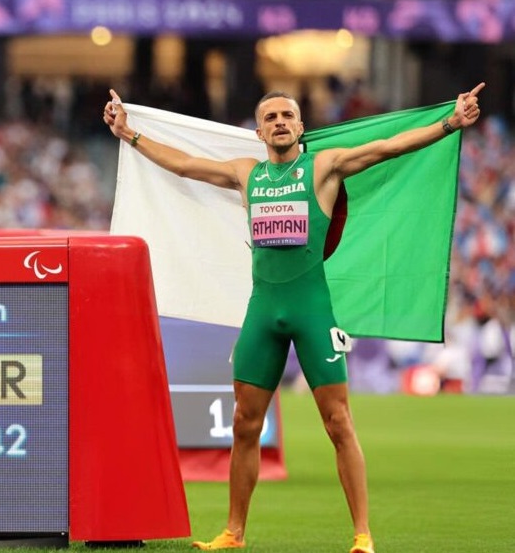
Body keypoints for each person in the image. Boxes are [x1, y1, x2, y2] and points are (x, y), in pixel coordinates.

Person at [103, 83, 485, 552]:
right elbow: (185, 164)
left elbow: (387, 147)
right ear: (259, 130)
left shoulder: (323, 167)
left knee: (338, 422)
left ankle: (363, 534)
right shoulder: (247, 173)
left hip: (312, 310)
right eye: (271, 117)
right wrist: (130, 135)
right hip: (263, 311)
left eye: (288, 115)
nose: (280, 122)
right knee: (245, 422)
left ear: (301, 127)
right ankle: (234, 533)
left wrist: (450, 122)